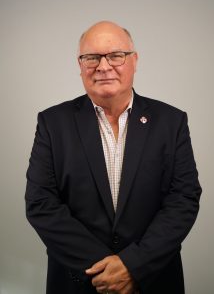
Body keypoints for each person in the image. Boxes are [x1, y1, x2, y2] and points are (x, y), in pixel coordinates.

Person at [25, 21, 202, 294]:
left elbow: (183, 199)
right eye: (91, 57)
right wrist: (107, 270)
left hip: (152, 280)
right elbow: (41, 204)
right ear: (80, 64)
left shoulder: (171, 122)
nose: (103, 66)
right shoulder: (52, 123)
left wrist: (134, 266)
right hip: (80, 281)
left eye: (115, 55)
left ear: (135, 60)